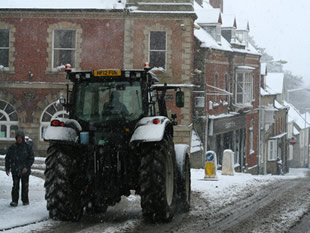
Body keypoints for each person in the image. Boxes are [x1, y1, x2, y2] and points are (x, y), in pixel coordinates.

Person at [5, 130, 34, 207]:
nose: (19, 139)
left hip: (25, 170)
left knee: (25, 186)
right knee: (15, 186)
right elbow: (7, 158)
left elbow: (31, 158)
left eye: (20, 138)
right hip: (15, 170)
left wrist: (26, 167)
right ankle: (14, 201)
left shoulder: (28, 147)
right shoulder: (13, 147)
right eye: (18, 138)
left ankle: (25, 200)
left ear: (23, 138)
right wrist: (7, 168)